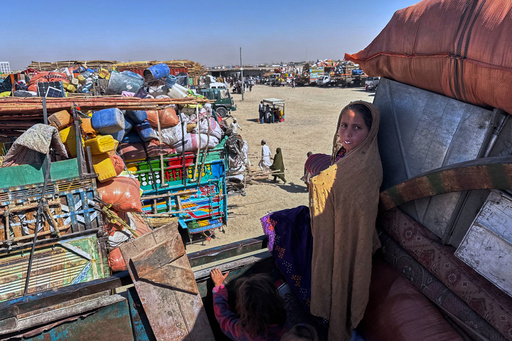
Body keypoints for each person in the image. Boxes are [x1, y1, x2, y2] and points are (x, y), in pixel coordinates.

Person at [260, 101, 382, 341]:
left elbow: (355, 219)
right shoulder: (347, 156)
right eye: (343, 125)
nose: (347, 133)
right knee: (284, 222)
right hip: (329, 228)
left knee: (287, 229)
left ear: (371, 132)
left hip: (344, 241)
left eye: (357, 128)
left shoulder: (364, 169)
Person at [211, 269, 287, 341]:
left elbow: (224, 318)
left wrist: (219, 287)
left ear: (244, 310)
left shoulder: (245, 333)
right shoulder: (290, 328)